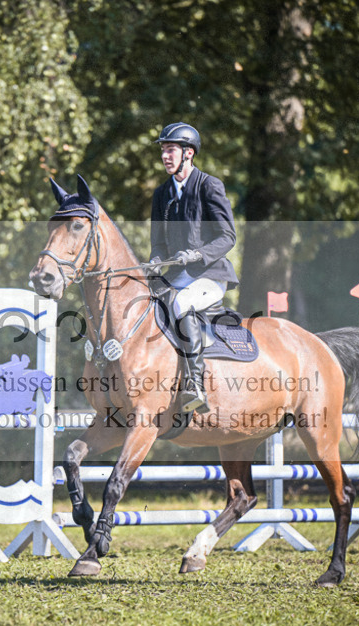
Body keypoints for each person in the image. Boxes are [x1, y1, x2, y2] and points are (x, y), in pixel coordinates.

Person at [148, 122, 239, 414]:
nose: (165, 156)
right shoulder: (161, 194)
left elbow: (228, 237)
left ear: (188, 153)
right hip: (175, 277)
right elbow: (158, 244)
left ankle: (195, 384)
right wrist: (155, 260)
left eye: (170, 149)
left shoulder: (209, 186)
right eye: (163, 150)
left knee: (182, 304)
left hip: (209, 276)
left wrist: (196, 255)